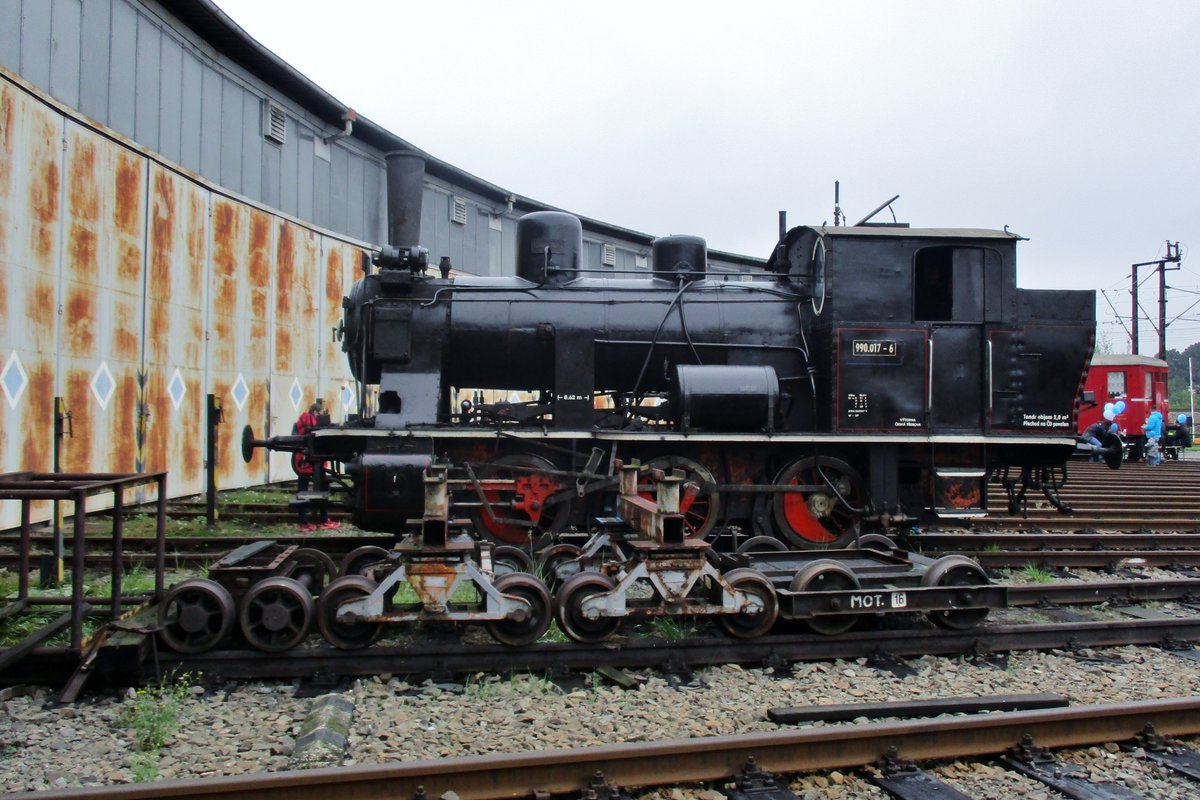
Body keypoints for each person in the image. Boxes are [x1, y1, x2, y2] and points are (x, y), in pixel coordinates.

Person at [293, 402, 340, 531]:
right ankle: (322, 520)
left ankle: (305, 521)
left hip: (308, 463)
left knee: (304, 489)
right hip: (311, 464)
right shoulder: (309, 420)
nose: (320, 416)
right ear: (315, 412)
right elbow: (316, 431)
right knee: (322, 488)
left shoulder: (305, 421)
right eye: (319, 414)